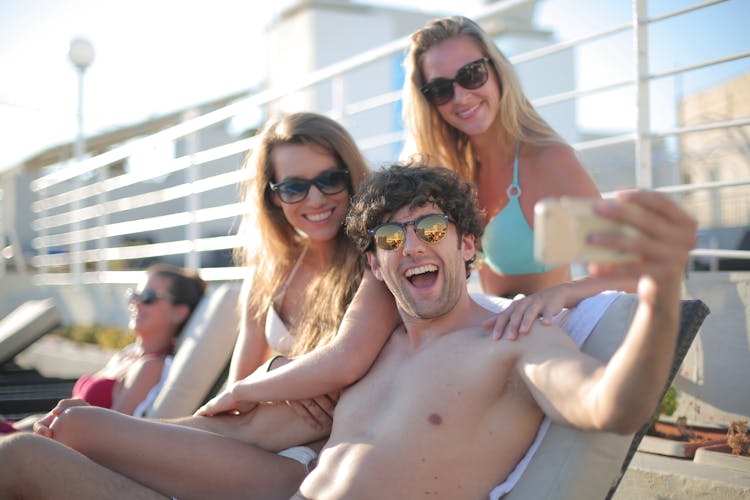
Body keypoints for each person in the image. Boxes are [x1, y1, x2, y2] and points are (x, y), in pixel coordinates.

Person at [0, 161, 696, 499]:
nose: (411, 246)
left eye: (430, 229)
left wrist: (660, 293)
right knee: (42, 449)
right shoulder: (374, 352)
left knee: (22, 465)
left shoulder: (513, 342)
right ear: (373, 264)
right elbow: (260, 429)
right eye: (390, 239)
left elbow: (613, 406)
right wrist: (246, 396)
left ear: (467, 248)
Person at [402, 15, 634, 337]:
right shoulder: (454, 175)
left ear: (496, 72)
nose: (461, 97)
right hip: (493, 335)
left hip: (548, 340)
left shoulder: (548, 160)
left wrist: (562, 293)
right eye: (441, 89)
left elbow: (629, 270)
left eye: (472, 74)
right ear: (429, 104)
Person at [0, 263, 205, 433]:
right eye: (134, 295)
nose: (136, 303)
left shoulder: (151, 367)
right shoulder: (128, 354)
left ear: (179, 312)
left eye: (149, 298)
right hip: (34, 433)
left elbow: (111, 435)